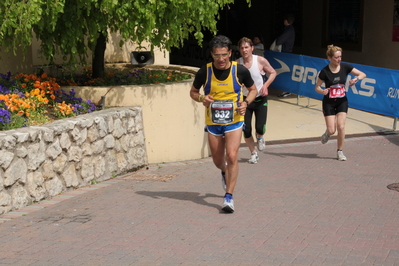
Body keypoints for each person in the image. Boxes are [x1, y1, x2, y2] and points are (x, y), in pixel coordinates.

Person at [190, 35, 258, 213]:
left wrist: (245, 103)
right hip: (213, 121)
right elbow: (193, 92)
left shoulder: (240, 71)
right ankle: (224, 171)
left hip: (234, 120)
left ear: (230, 53)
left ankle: (228, 197)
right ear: (211, 55)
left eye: (224, 55)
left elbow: (253, 90)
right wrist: (202, 98)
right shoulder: (205, 71)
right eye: (216, 55)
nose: (220, 59)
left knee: (232, 156)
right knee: (218, 160)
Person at [314, 44, 366, 161]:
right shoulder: (324, 71)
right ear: (329, 58)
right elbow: (317, 87)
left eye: (340, 57)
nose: (339, 60)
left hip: (342, 101)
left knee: (341, 126)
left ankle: (340, 151)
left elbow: (363, 74)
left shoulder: (345, 67)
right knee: (332, 130)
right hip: (329, 103)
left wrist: (355, 79)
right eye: (336, 58)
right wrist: (323, 91)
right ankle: (327, 133)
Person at [237, 37, 277, 164]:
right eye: (242, 48)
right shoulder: (237, 63)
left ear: (252, 48)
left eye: (247, 47)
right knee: (246, 129)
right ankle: (253, 153)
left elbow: (273, 72)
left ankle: (260, 137)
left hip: (260, 99)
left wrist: (265, 85)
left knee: (260, 127)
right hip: (245, 101)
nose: (244, 50)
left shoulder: (260, 60)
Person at [276, 13, 296, 97]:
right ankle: (286, 89)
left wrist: (277, 41)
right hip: (287, 53)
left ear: (286, 21)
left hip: (286, 53)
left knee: (286, 72)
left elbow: (279, 41)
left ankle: (287, 90)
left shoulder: (289, 30)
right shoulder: (290, 29)